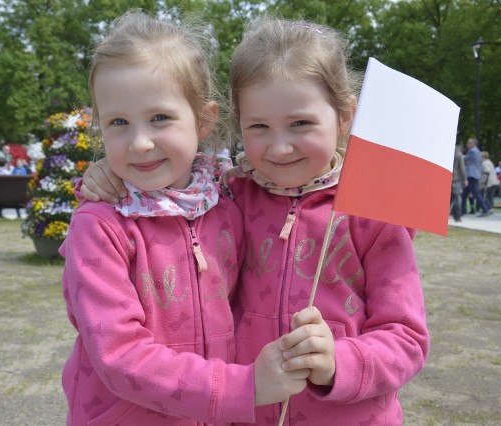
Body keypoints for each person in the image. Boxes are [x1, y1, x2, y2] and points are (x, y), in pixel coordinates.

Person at [79, 16, 430, 425]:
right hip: (247, 412)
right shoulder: (228, 197)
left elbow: (407, 338)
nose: (280, 148)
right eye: (259, 126)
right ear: (236, 123)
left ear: (345, 116)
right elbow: (161, 189)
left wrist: (341, 361)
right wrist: (101, 173)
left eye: (301, 123)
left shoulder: (377, 214)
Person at [59, 12, 310, 426]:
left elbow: (304, 200)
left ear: (205, 119)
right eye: (118, 122)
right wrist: (243, 388)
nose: (140, 143)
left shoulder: (230, 199)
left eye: (160, 118)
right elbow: (119, 355)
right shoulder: (100, 227)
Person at [461, 138, 492, 217]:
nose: (467, 144)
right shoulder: (477, 151)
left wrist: (463, 158)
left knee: (475, 193)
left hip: (471, 174)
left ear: (473, 144)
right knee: (465, 193)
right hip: (474, 174)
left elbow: (464, 159)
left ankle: (485, 209)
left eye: (468, 143)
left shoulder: (472, 151)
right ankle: (462, 210)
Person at [450, 144, 467, 222]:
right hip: (455, 178)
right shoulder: (458, 154)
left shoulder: (447, 152)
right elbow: (462, 168)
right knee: (456, 198)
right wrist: (465, 179)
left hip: (446, 177)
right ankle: (457, 216)